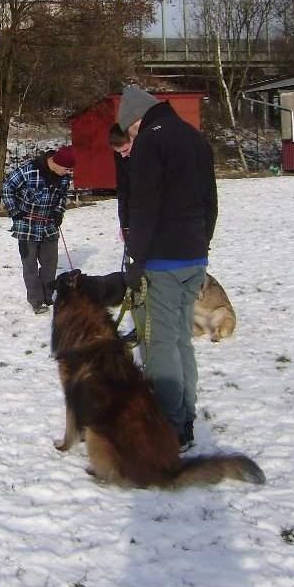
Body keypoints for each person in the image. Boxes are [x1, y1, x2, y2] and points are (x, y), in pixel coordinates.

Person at [117, 85, 218, 451]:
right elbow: (211, 202)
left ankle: (171, 429)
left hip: (162, 261)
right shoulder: (195, 138)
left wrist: (136, 259)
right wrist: (201, 244)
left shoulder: (149, 142)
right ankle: (186, 418)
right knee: (180, 340)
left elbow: (144, 208)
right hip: (194, 257)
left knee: (159, 346)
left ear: (135, 121)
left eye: (129, 131)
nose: (131, 137)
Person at [1, 145, 74, 314]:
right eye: (67, 169)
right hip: (26, 224)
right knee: (30, 265)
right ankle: (36, 300)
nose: (69, 173)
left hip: (49, 224)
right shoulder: (29, 170)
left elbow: (63, 196)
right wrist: (15, 211)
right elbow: (7, 187)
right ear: (57, 163)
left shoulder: (64, 177)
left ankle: (48, 296)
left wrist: (58, 212)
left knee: (50, 263)